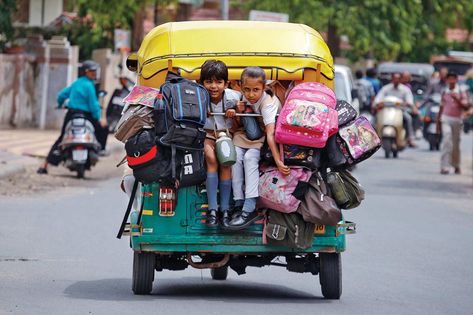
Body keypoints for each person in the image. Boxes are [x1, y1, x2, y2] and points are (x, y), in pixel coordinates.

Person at [227, 66, 288, 230]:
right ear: (240, 86)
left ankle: (249, 207)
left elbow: (270, 134)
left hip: (265, 137)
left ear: (263, 88)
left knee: (249, 158)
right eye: (246, 89)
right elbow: (241, 124)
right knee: (235, 157)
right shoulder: (243, 98)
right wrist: (237, 112)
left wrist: (278, 161)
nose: (251, 94)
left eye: (256, 90)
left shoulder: (267, 103)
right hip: (248, 134)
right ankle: (238, 204)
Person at [37, 60, 108, 174]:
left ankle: (45, 165)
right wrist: (99, 118)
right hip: (86, 116)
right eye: (91, 71)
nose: (94, 73)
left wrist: (60, 104)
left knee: (62, 138)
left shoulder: (77, 83)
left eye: (95, 71)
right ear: (86, 72)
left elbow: (61, 95)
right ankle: (101, 150)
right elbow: (94, 105)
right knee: (103, 128)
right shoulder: (89, 85)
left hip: (71, 114)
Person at [200, 60, 240, 228]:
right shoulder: (198, 97)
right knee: (211, 159)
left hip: (227, 135)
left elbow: (240, 126)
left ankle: (224, 210)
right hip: (207, 135)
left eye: (218, 82)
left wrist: (235, 114)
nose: (213, 86)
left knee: (226, 163)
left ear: (226, 83)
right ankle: (212, 209)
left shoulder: (233, 98)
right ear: (202, 83)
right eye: (209, 81)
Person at [436, 72, 470, 174]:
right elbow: (441, 108)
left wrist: (457, 99)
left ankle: (456, 165)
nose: (451, 81)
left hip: (457, 120)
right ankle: (444, 166)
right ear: (447, 80)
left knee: (456, 144)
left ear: (456, 80)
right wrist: (438, 124)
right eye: (449, 79)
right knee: (447, 141)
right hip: (446, 119)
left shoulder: (461, 91)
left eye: (453, 79)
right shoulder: (444, 92)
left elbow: (466, 107)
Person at [374, 73, 417, 147]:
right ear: (392, 79)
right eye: (394, 79)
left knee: (408, 118)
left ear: (400, 80)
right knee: (374, 119)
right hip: (386, 111)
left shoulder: (405, 90)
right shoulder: (385, 88)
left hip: (400, 111)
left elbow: (410, 101)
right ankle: (374, 138)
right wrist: (378, 103)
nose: (396, 80)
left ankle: (410, 138)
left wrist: (407, 104)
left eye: (398, 79)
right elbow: (378, 99)